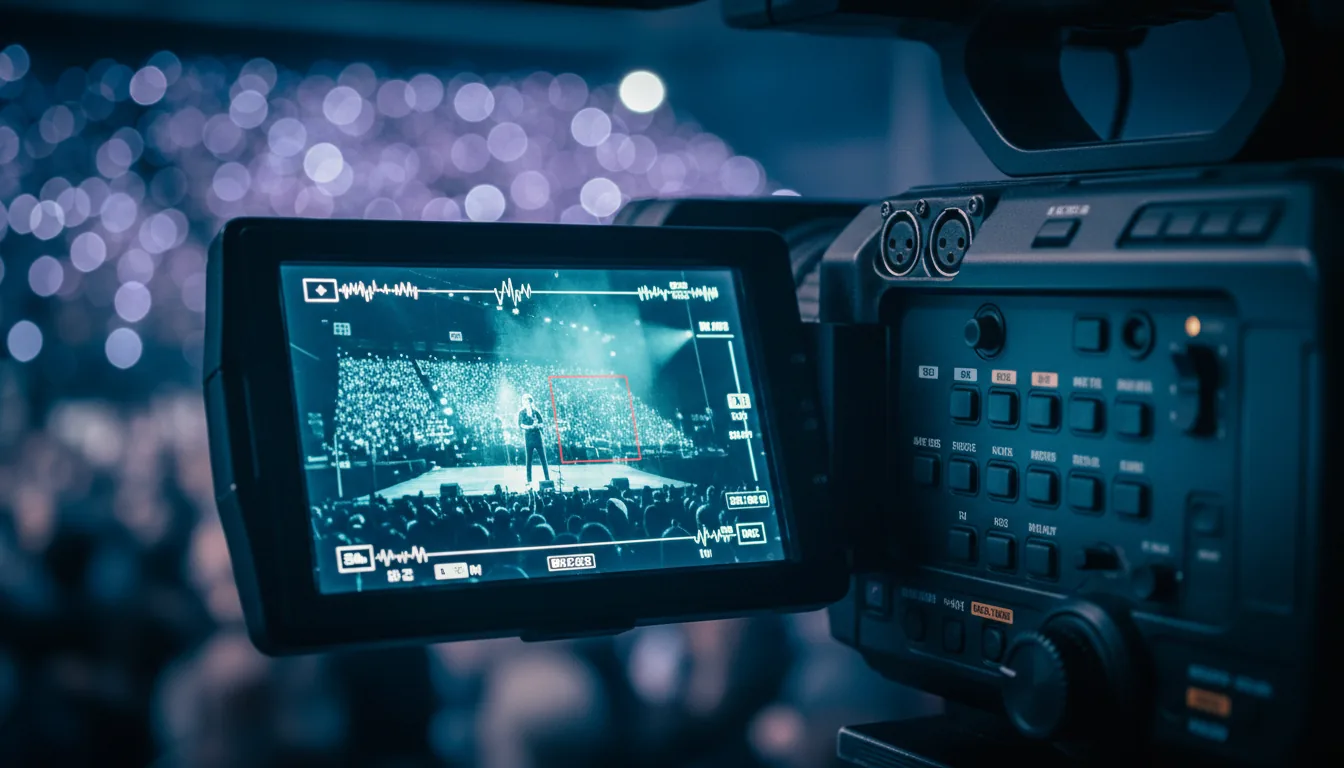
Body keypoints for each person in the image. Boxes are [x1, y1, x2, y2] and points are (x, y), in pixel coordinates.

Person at [517, 394, 550, 483]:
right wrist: (529, 427)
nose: (527, 403)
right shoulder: (522, 413)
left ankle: (547, 478)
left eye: (529, 402)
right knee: (529, 460)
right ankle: (529, 480)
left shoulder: (536, 412)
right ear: (523, 402)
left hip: (537, 437)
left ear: (531, 402)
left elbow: (542, 423)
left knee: (543, 459)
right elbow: (520, 424)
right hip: (528, 438)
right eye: (525, 402)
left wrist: (537, 425)